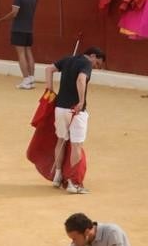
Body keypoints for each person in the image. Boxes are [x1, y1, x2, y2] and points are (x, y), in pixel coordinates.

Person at [44, 46, 105, 194]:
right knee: (76, 145)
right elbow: (81, 79)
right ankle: (73, 182)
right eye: (97, 63)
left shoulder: (67, 59)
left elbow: (48, 69)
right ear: (92, 56)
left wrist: (50, 89)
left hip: (60, 107)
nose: (95, 67)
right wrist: (81, 101)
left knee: (61, 140)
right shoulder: (86, 64)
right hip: (76, 110)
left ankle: (58, 176)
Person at [0, 0, 38, 89]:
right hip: (29, 28)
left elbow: (14, 13)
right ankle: (31, 79)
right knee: (28, 52)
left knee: (21, 54)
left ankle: (26, 80)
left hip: (19, 28)